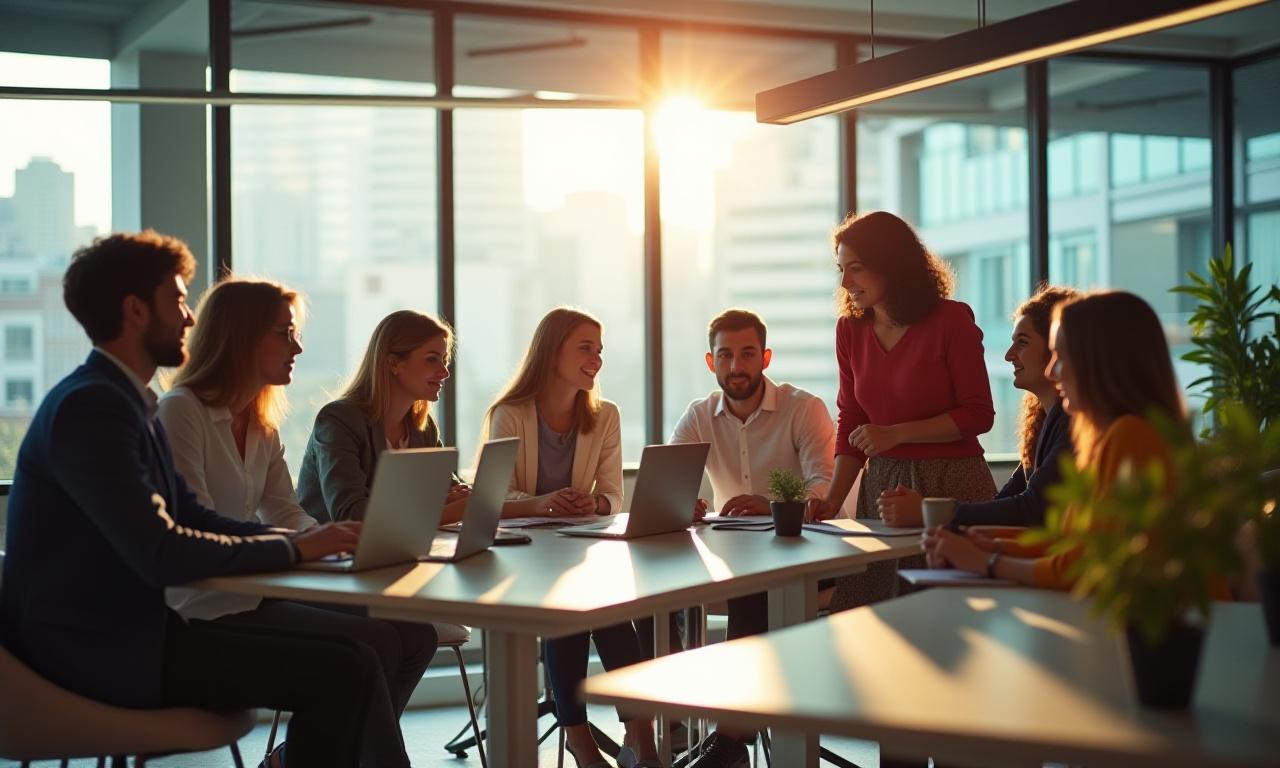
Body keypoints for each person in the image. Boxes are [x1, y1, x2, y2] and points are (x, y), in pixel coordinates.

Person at [0, 231, 374, 767]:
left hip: (125, 636)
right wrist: (294, 550)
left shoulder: (125, 402)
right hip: (93, 652)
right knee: (347, 668)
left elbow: (188, 515)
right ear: (134, 311)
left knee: (355, 657)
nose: (190, 318)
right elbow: (161, 550)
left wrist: (307, 539)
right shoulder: (94, 409)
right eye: (176, 301)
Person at [158, 279, 437, 768]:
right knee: (367, 651)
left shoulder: (261, 425)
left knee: (412, 636)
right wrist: (311, 542)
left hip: (250, 596)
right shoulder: (182, 412)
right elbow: (198, 523)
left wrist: (333, 540)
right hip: (199, 611)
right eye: (284, 334)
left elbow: (285, 511)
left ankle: (316, 758)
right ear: (241, 338)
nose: (298, 347)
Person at [484, 307, 659, 768]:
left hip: (579, 548)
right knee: (573, 605)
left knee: (607, 604)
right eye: (585, 347)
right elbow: (492, 498)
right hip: (522, 556)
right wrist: (543, 503)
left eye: (599, 350)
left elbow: (612, 495)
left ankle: (637, 735)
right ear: (551, 351)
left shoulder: (605, 416)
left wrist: (593, 505)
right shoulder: (509, 414)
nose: (596, 359)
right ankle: (586, 744)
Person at [924, 291, 1191, 587]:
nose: (1053, 370)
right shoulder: (1111, 436)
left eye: (1062, 357)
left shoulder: (1129, 435)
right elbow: (1072, 544)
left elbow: (1082, 565)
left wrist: (987, 562)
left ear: (1099, 362)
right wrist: (992, 546)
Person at [807, 211, 997, 613]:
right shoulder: (849, 331)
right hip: (882, 492)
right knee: (872, 615)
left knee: (951, 619)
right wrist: (831, 500)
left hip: (951, 484)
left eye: (855, 269)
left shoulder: (951, 320)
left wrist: (896, 433)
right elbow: (851, 421)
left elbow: (979, 414)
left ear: (890, 263)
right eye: (841, 270)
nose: (845, 283)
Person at [670, 308, 835, 768]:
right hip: (734, 563)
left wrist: (772, 504)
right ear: (711, 362)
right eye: (726, 355)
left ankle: (730, 739)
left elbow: (824, 489)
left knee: (751, 592)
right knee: (664, 592)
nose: (736, 366)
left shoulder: (804, 409)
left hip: (808, 560)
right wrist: (683, 502)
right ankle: (685, 728)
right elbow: (667, 485)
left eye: (747, 354)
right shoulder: (699, 416)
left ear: (765, 357)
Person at [878, 285, 1079, 530]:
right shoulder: (1045, 421)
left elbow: (1032, 508)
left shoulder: (1072, 424)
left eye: (1022, 343)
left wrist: (928, 511)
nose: (1009, 355)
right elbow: (1008, 500)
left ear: (1057, 348)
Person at [296, 309, 470, 525]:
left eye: (444, 360)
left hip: (395, 548)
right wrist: (443, 509)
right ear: (393, 363)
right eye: (432, 360)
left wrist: (462, 495)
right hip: (334, 554)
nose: (445, 372)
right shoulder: (338, 421)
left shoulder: (422, 428)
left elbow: (451, 488)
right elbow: (350, 514)